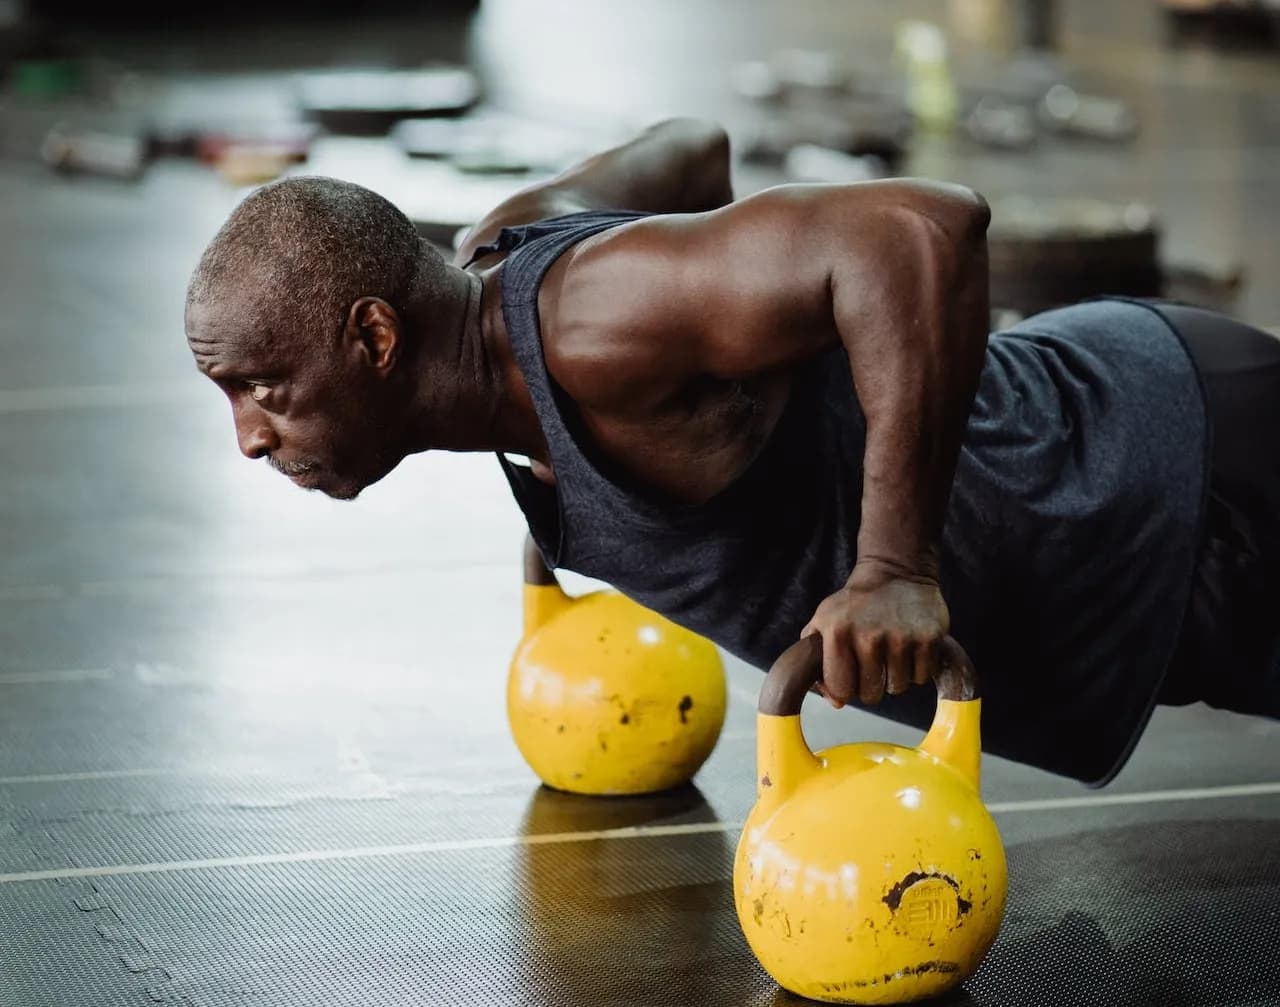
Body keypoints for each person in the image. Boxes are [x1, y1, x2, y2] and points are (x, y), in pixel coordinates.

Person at [184, 117, 1278, 786]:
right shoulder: (508, 253)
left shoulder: (590, 323)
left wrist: (892, 564)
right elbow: (691, 146)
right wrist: (714, 393)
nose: (249, 436)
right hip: (1139, 509)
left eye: (261, 387)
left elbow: (918, 229)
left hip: (1183, 482)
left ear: (375, 337)